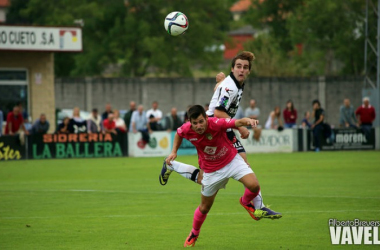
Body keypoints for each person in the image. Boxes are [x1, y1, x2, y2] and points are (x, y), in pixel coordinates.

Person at [159, 51, 281, 220]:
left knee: (218, 173)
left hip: (219, 127)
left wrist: (218, 84)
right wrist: (240, 127)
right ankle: (254, 206)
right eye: (238, 66)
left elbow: (220, 96)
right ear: (233, 68)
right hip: (214, 128)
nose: (241, 70)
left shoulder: (234, 83)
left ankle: (257, 207)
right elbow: (217, 111)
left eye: (245, 67)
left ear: (249, 71)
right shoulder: (231, 86)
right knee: (210, 176)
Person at [165, 105, 277, 247]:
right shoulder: (187, 128)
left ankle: (245, 201)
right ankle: (194, 233)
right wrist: (174, 151)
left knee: (254, 185)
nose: (198, 126)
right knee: (205, 208)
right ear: (190, 123)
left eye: (201, 121)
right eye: (195, 123)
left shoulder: (216, 123)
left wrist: (247, 121)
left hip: (231, 160)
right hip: (211, 171)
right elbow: (178, 133)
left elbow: (234, 122)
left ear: (206, 118)